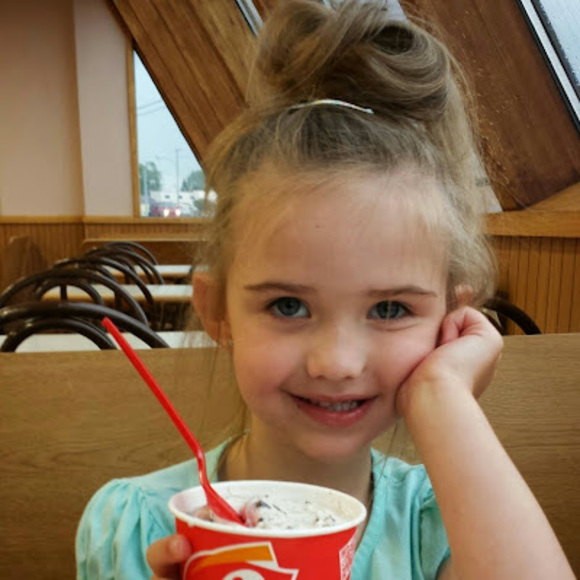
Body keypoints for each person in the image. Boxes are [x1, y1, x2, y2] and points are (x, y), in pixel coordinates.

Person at [76, 1, 574, 579]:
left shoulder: (446, 525)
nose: (336, 363)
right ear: (218, 312)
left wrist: (443, 396)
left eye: (390, 308)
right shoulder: (138, 528)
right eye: (288, 306)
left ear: (448, 324)